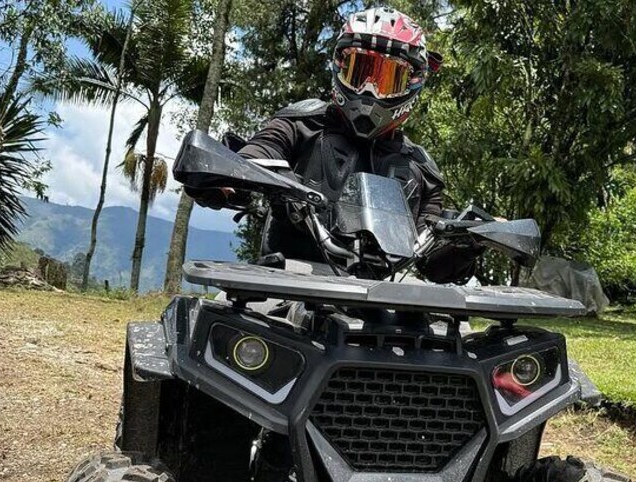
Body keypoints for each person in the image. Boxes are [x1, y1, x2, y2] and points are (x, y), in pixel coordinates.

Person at [187, 7, 480, 283]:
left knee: (444, 319)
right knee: (218, 316)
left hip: (378, 298)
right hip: (286, 282)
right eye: (359, 71)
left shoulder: (421, 170)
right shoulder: (301, 123)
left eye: (388, 79)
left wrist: (469, 243)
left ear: (413, 83)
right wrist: (227, 178)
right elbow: (260, 150)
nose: (370, 89)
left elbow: (432, 258)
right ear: (339, 65)